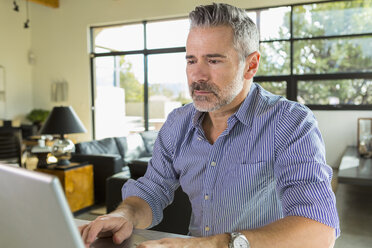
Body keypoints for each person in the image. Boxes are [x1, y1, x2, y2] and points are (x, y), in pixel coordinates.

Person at [80, 3, 340, 248]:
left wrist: (216, 244)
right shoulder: (177, 123)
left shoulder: (290, 123)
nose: (198, 75)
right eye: (191, 60)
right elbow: (151, 190)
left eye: (213, 60)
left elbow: (319, 229)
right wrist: (124, 214)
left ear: (251, 65)